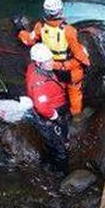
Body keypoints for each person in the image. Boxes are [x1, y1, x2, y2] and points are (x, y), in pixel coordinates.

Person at [16, 0, 90, 116]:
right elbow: (80, 56)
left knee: (59, 86)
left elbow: (29, 39)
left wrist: (20, 31)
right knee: (75, 91)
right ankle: (76, 116)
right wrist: (85, 60)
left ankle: (60, 104)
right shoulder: (69, 30)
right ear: (60, 11)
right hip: (67, 69)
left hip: (50, 67)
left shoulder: (40, 27)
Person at [25, 43, 70, 171]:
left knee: (53, 141)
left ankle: (50, 160)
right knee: (59, 147)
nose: (51, 63)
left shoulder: (33, 68)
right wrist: (54, 115)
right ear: (39, 63)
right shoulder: (40, 85)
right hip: (50, 116)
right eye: (47, 61)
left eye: (51, 59)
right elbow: (41, 107)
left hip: (52, 108)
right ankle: (63, 172)